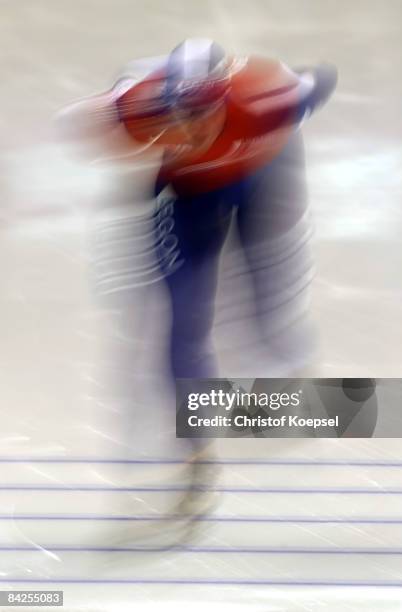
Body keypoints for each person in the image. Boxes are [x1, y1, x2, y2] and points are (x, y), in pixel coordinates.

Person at [56, 39, 337, 545]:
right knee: (182, 324)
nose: (190, 130)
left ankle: (296, 367)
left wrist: (284, 111)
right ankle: (197, 459)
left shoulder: (268, 97)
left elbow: (323, 77)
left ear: (222, 100)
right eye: (179, 116)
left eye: (202, 114)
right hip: (188, 197)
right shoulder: (137, 106)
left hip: (260, 176)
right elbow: (81, 119)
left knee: (265, 301)